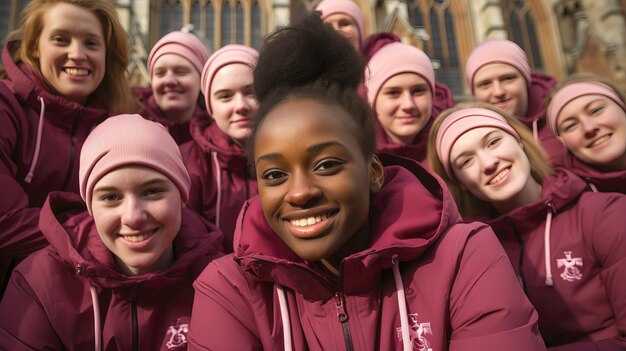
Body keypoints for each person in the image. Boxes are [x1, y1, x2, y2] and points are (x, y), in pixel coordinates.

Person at [187, 14, 545, 350]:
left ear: (374, 171)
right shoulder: (227, 289)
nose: (299, 193)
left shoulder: (465, 256)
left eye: (326, 164)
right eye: (275, 175)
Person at [0, 114, 223, 350]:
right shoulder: (41, 283)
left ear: (182, 197)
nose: (133, 217)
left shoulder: (218, 283)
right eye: (111, 197)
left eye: (152, 191)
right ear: (91, 208)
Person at [428, 103, 626, 349]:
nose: (488, 162)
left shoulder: (606, 213)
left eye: (493, 142)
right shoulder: (470, 252)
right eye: (466, 161)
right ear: (461, 183)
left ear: (519, 140)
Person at [0, 0, 134, 296]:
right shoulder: (5, 106)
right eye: (61, 39)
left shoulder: (119, 126)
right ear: (34, 46)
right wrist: (104, 231)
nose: (78, 54)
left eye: (91, 43)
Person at [180, 44, 259, 253]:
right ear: (210, 108)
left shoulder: (288, 154)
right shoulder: (187, 162)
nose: (240, 105)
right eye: (225, 96)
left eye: (251, 92)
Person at [465, 39, 566, 165]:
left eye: (508, 79)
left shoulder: (563, 116)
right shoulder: (467, 140)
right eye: (485, 84)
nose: (498, 92)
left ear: (526, 81)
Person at [365, 41, 454, 167]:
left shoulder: (452, 147)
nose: (408, 105)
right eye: (393, 93)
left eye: (418, 91)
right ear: (372, 100)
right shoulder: (359, 155)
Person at [546, 75, 626, 193]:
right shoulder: (574, 200)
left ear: (622, 107)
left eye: (596, 110)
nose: (589, 128)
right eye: (571, 126)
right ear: (563, 142)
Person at [133, 28, 210, 144]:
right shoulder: (127, 125)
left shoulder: (218, 139)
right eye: (160, 73)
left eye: (181, 72)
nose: (169, 81)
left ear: (201, 80)